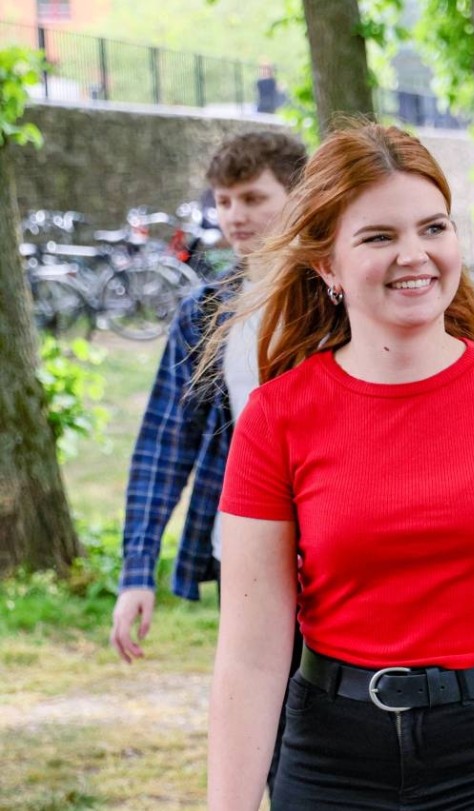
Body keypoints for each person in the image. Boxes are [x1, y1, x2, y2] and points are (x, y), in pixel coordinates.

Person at [204, 124, 474, 811]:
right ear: (328, 266)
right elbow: (253, 654)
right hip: (332, 758)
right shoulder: (275, 417)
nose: (415, 254)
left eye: (432, 227)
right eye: (379, 237)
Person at [112, 129, 307, 664]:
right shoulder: (206, 313)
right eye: (223, 201)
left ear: (300, 195)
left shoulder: (342, 303)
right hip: (241, 548)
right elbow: (164, 443)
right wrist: (137, 571)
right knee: (259, 717)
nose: (234, 215)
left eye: (252, 198)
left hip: (336, 550)